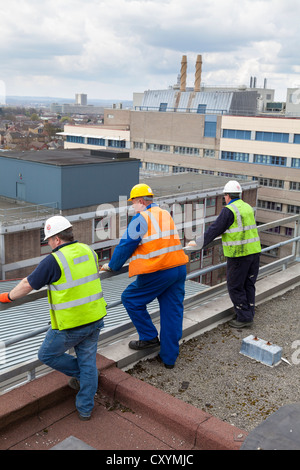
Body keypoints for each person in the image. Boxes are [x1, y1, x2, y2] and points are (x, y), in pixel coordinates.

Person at [0, 215, 107, 420]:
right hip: (95, 318)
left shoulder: (54, 260)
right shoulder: (88, 250)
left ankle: (86, 376)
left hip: (71, 325)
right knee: (87, 363)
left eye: (49, 240)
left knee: (47, 355)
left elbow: (27, 285)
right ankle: (85, 407)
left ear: (57, 239)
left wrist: (8, 296)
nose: (48, 244)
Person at [101, 183, 189, 369]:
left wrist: (112, 266)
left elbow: (126, 245)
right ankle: (169, 359)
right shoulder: (164, 213)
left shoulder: (141, 218)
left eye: (133, 202)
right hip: (178, 267)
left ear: (141, 201)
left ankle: (149, 337)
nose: (133, 206)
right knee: (172, 313)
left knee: (130, 298)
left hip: (159, 270)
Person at [188, 180, 261, 328]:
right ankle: (248, 312)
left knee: (234, 286)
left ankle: (244, 317)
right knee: (248, 284)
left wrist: (198, 243)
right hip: (254, 252)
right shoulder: (247, 207)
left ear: (227, 196)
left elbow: (215, 229)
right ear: (239, 194)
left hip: (239, 254)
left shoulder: (229, 210)